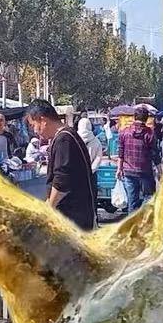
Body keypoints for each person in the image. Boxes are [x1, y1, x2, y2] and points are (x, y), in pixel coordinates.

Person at [26, 99, 96, 231]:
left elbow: (62, 180)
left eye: (33, 124)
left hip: (72, 217)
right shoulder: (65, 136)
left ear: (43, 120)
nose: (35, 130)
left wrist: (49, 208)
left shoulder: (64, 139)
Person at [117, 107, 159, 213]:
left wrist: (119, 169)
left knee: (132, 202)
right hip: (145, 171)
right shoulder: (149, 133)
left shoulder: (124, 132)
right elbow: (155, 154)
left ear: (134, 117)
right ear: (145, 119)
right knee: (149, 197)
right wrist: (160, 170)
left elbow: (120, 153)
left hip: (128, 172)